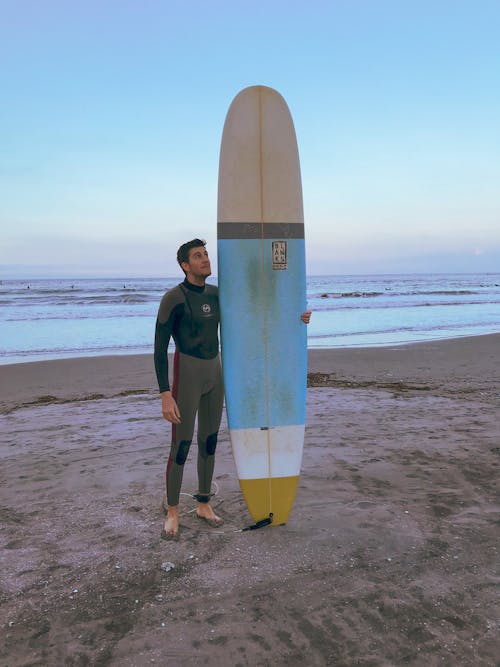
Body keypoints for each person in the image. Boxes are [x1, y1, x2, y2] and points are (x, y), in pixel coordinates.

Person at [154, 239, 311, 539]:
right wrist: (164, 394)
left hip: (215, 372)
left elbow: (254, 317)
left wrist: (296, 318)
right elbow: (159, 348)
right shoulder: (173, 298)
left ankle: (203, 504)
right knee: (182, 445)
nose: (205, 259)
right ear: (185, 265)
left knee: (210, 440)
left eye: (206, 254)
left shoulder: (217, 295)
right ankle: (173, 511)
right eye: (197, 256)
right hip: (186, 374)